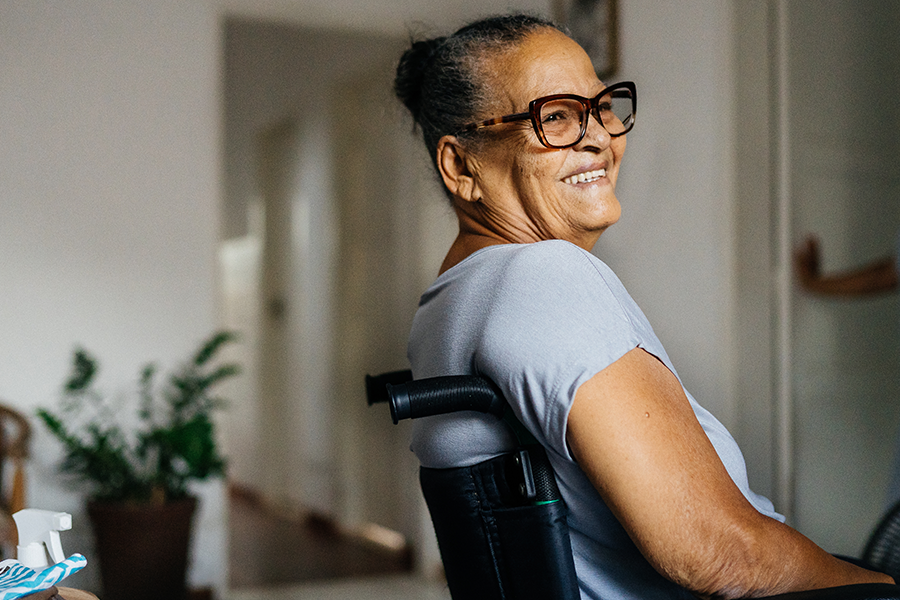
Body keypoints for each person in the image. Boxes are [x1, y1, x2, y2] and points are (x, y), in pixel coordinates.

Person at [395, 14, 895, 600]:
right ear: (461, 166)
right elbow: (719, 553)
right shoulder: (543, 274)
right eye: (554, 116)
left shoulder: (446, 303)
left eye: (602, 106)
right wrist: (882, 585)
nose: (600, 136)